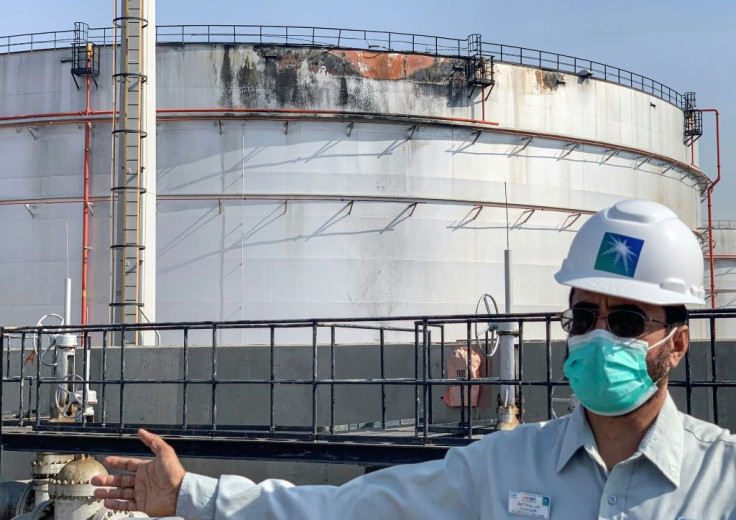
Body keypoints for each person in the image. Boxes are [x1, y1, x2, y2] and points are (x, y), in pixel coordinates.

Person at [92, 199, 736, 519]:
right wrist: (192, 495)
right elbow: (347, 510)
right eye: (584, 317)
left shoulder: (724, 482)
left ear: (676, 342)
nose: (598, 338)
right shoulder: (505, 466)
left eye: (624, 321)